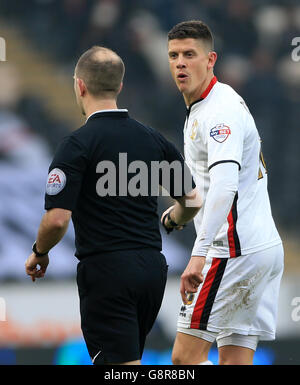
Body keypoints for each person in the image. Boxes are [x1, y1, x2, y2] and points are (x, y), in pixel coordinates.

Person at [24, 46, 202, 365]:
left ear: (80, 85)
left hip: (107, 271)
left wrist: (40, 252)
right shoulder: (153, 139)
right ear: (119, 86)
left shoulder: (77, 145)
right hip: (152, 269)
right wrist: (174, 219)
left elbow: (57, 220)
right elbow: (192, 200)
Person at [163, 20, 284, 365]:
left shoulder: (218, 113)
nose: (180, 63)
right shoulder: (213, 101)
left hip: (232, 251)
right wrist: (179, 214)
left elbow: (226, 185)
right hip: (259, 249)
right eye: (174, 55)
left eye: (190, 54)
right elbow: (206, 188)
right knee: (234, 361)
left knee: (185, 359)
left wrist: (199, 254)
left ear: (210, 59)